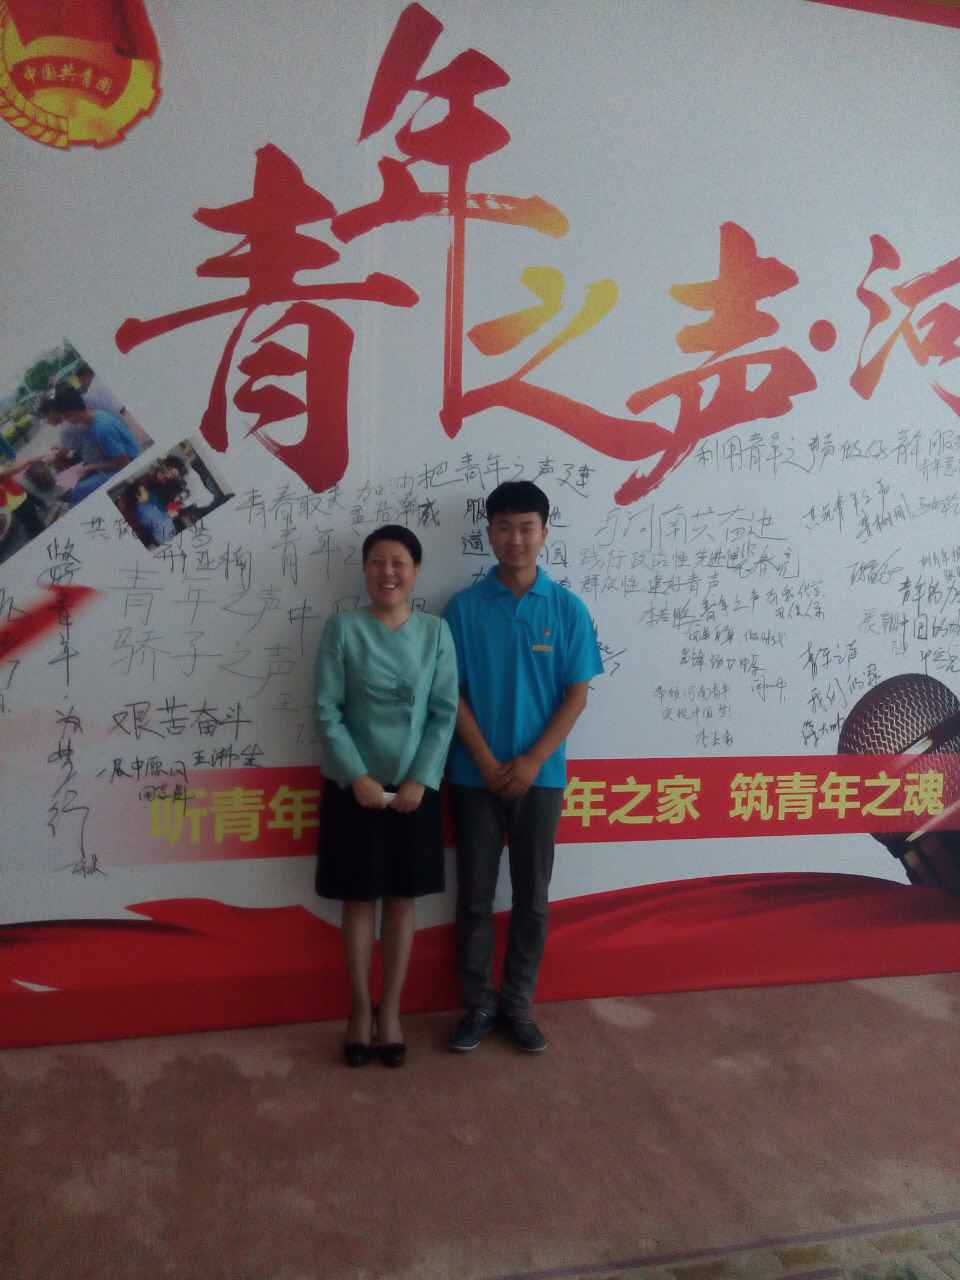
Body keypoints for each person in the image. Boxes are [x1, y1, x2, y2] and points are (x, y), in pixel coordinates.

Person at [444, 481, 603, 1054]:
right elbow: (451, 694)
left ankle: (518, 1004)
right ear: (489, 534)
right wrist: (486, 761)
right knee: (474, 897)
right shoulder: (463, 609)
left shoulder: (566, 609)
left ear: (544, 532)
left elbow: (576, 696)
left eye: (526, 527)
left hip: (542, 779)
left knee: (533, 898)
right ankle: (478, 1005)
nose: (515, 538)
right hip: (473, 776)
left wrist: (534, 759)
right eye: (504, 527)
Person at [314, 525, 458, 1068]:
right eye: (377, 561)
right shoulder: (342, 630)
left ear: (416, 571)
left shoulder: (436, 633)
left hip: (415, 791)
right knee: (358, 899)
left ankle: (391, 1011)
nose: (388, 572)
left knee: (402, 900)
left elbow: (444, 713)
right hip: (354, 788)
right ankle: (358, 1010)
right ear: (365, 569)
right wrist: (356, 776)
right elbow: (326, 710)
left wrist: (421, 778)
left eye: (399, 562)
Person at [46, 385, 140, 504]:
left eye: (64, 418)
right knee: (77, 478)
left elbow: (124, 464)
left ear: (70, 414)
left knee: (78, 490)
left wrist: (89, 468)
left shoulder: (102, 429)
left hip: (130, 464)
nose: (65, 422)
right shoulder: (96, 415)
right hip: (120, 458)